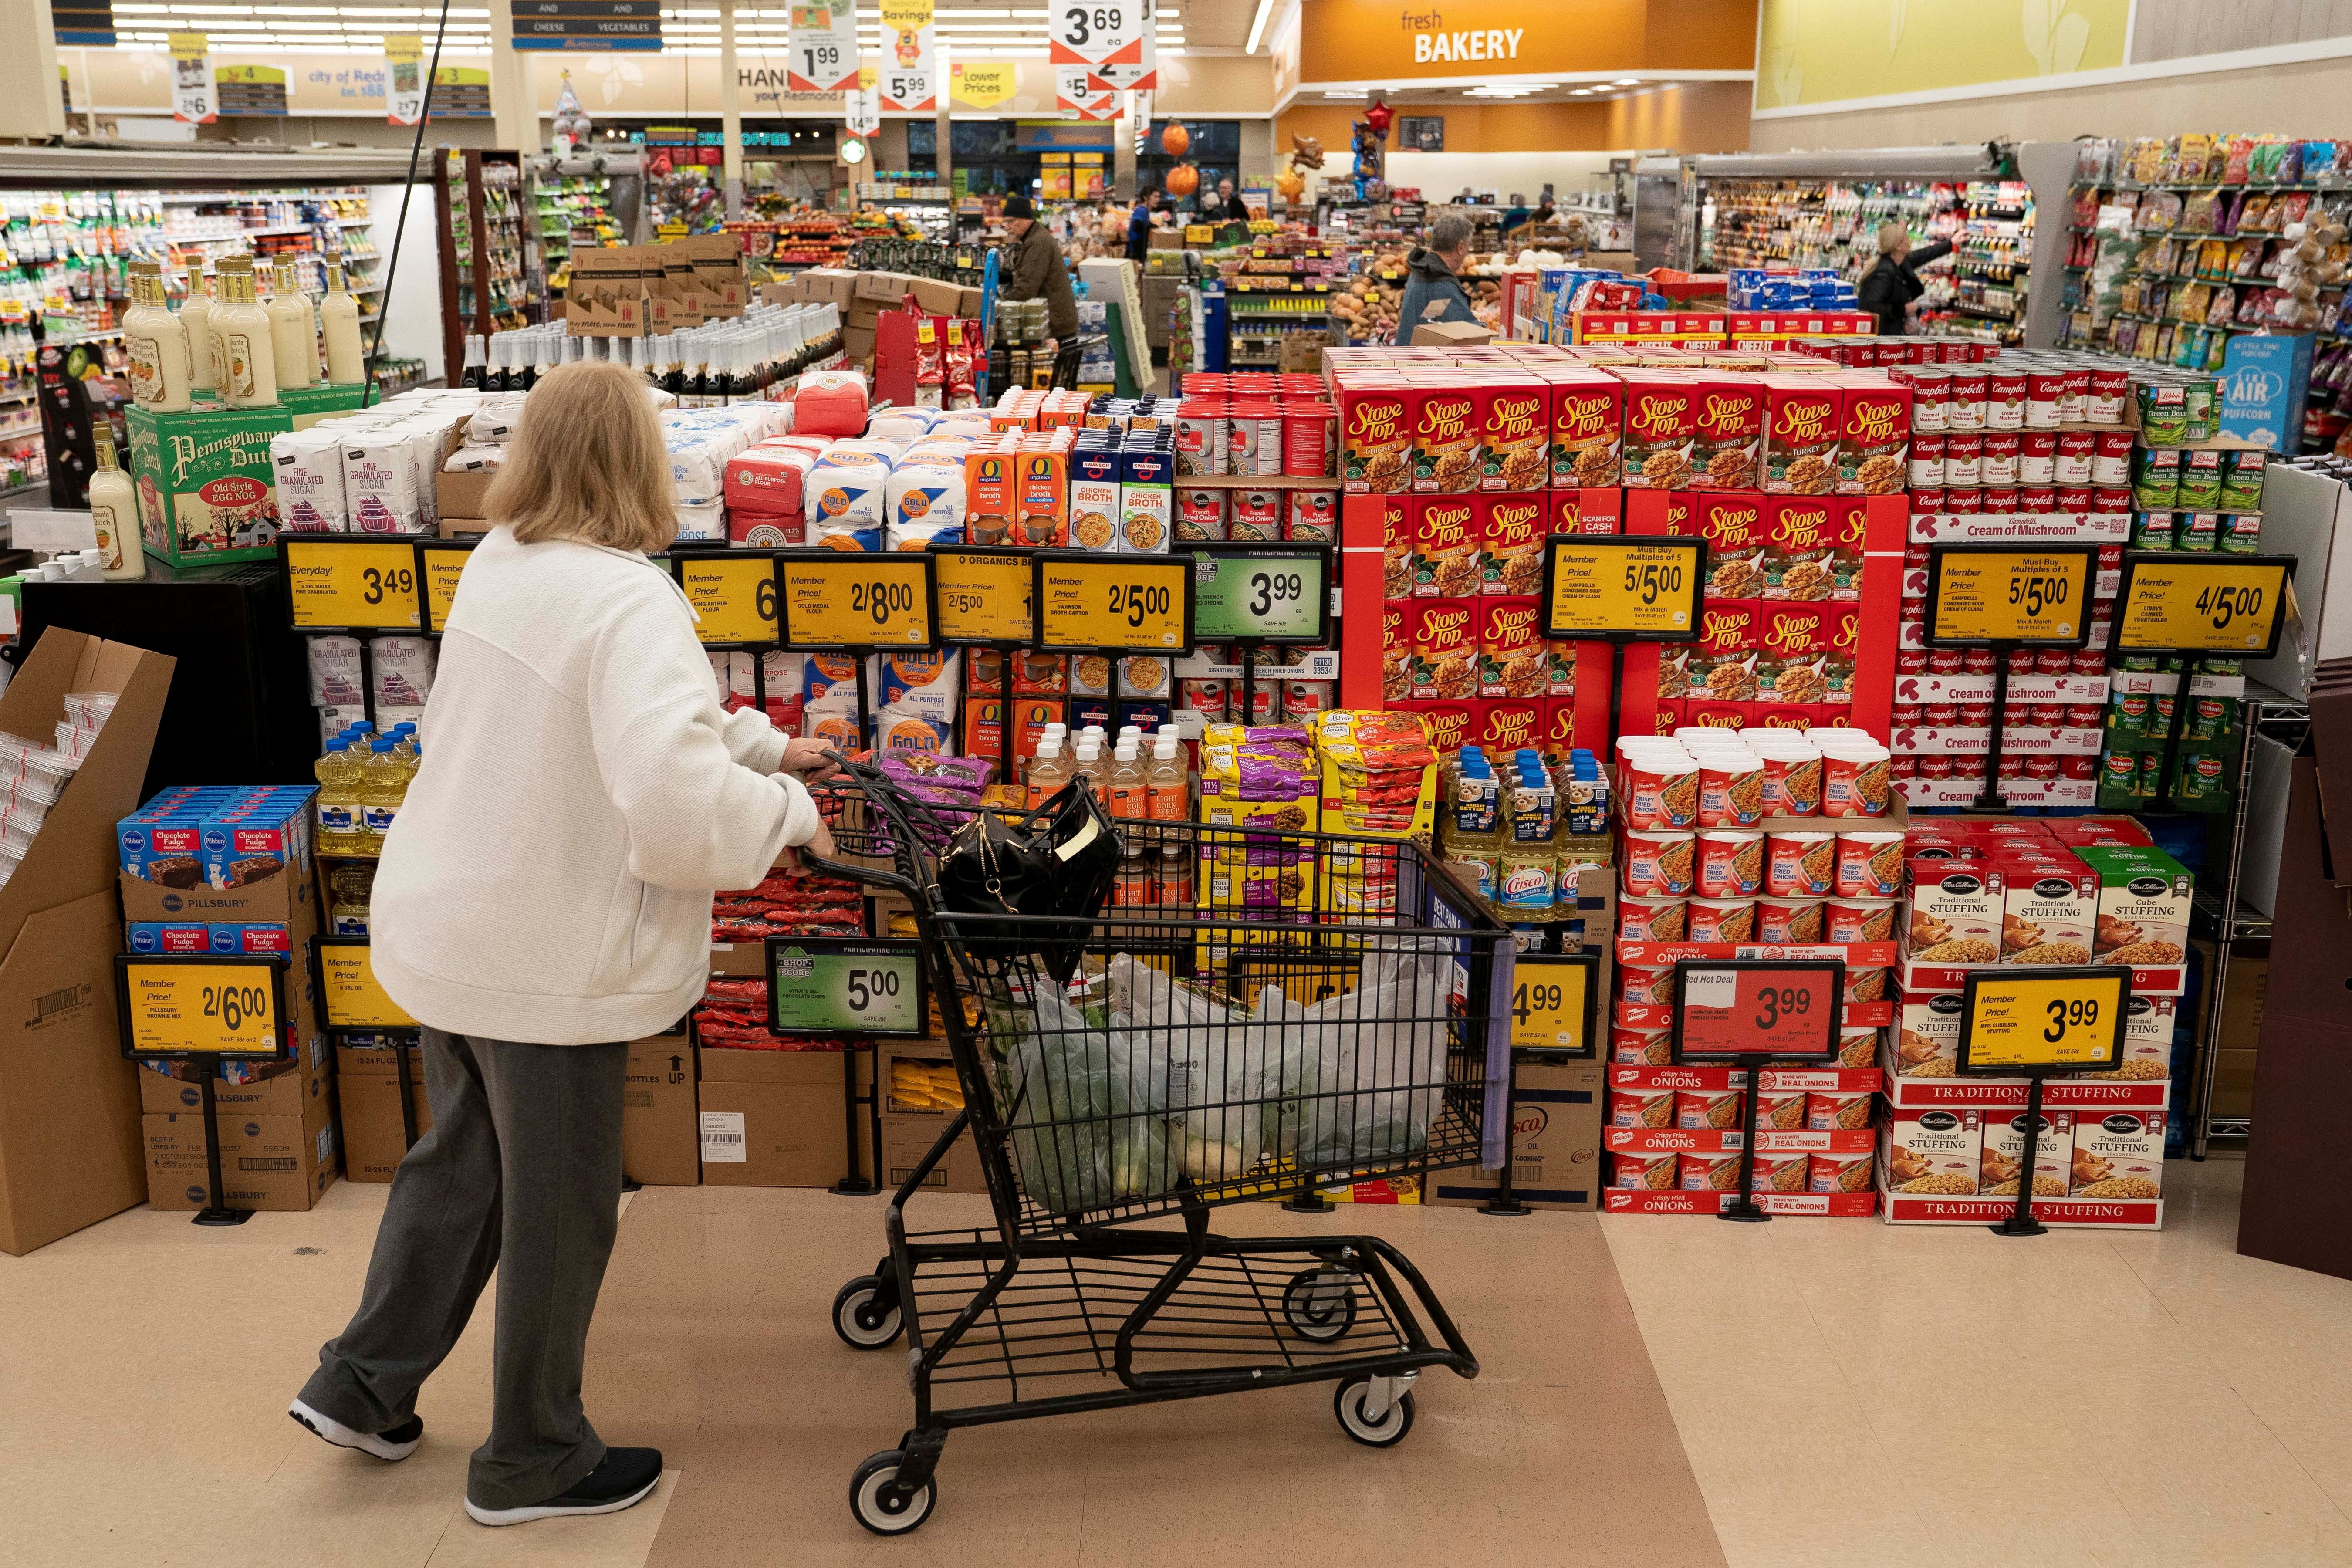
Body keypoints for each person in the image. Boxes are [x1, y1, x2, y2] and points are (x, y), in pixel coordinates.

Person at [286, 360, 837, 1530]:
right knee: (562, 1203)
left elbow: (622, 718)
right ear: (642, 465)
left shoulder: (507, 562)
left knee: (466, 1164)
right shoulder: (633, 600)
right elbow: (669, 795)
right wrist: (792, 817)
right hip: (545, 956)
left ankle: (362, 1382)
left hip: (452, 920)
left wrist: (766, 750)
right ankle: (532, 1455)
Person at [1000, 192, 1077, 350]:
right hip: (1053, 321)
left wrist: (1001, 306)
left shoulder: (1037, 243)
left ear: (1026, 220)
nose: (1007, 227)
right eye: (1005, 223)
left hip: (1056, 326)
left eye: (1011, 222)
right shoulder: (1034, 238)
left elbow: (1027, 288)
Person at [1858, 219, 1955, 337]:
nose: (1909, 240)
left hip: (1892, 334)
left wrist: (1951, 243)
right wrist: (1903, 310)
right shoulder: (1884, 273)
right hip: (1884, 339)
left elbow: (1922, 255)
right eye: (1906, 238)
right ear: (1898, 246)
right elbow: (1870, 308)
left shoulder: (1899, 263)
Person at [1394, 211, 1479, 345]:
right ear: (1461, 247)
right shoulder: (1441, 282)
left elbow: (1433, 315)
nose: (1468, 252)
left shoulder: (1422, 269)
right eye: (1469, 246)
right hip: (1423, 361)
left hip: (1410, 355)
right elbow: (1466, 331)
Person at [1125, 187, 1163, 264]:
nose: (1158, 200)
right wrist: (1152, 227)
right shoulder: (1141, 210)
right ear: (1146, 197)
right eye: (1155, 197)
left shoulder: (1144, 211)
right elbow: (1137, 225)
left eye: (1159, 197)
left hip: (1137, 252)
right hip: (1135, 254)